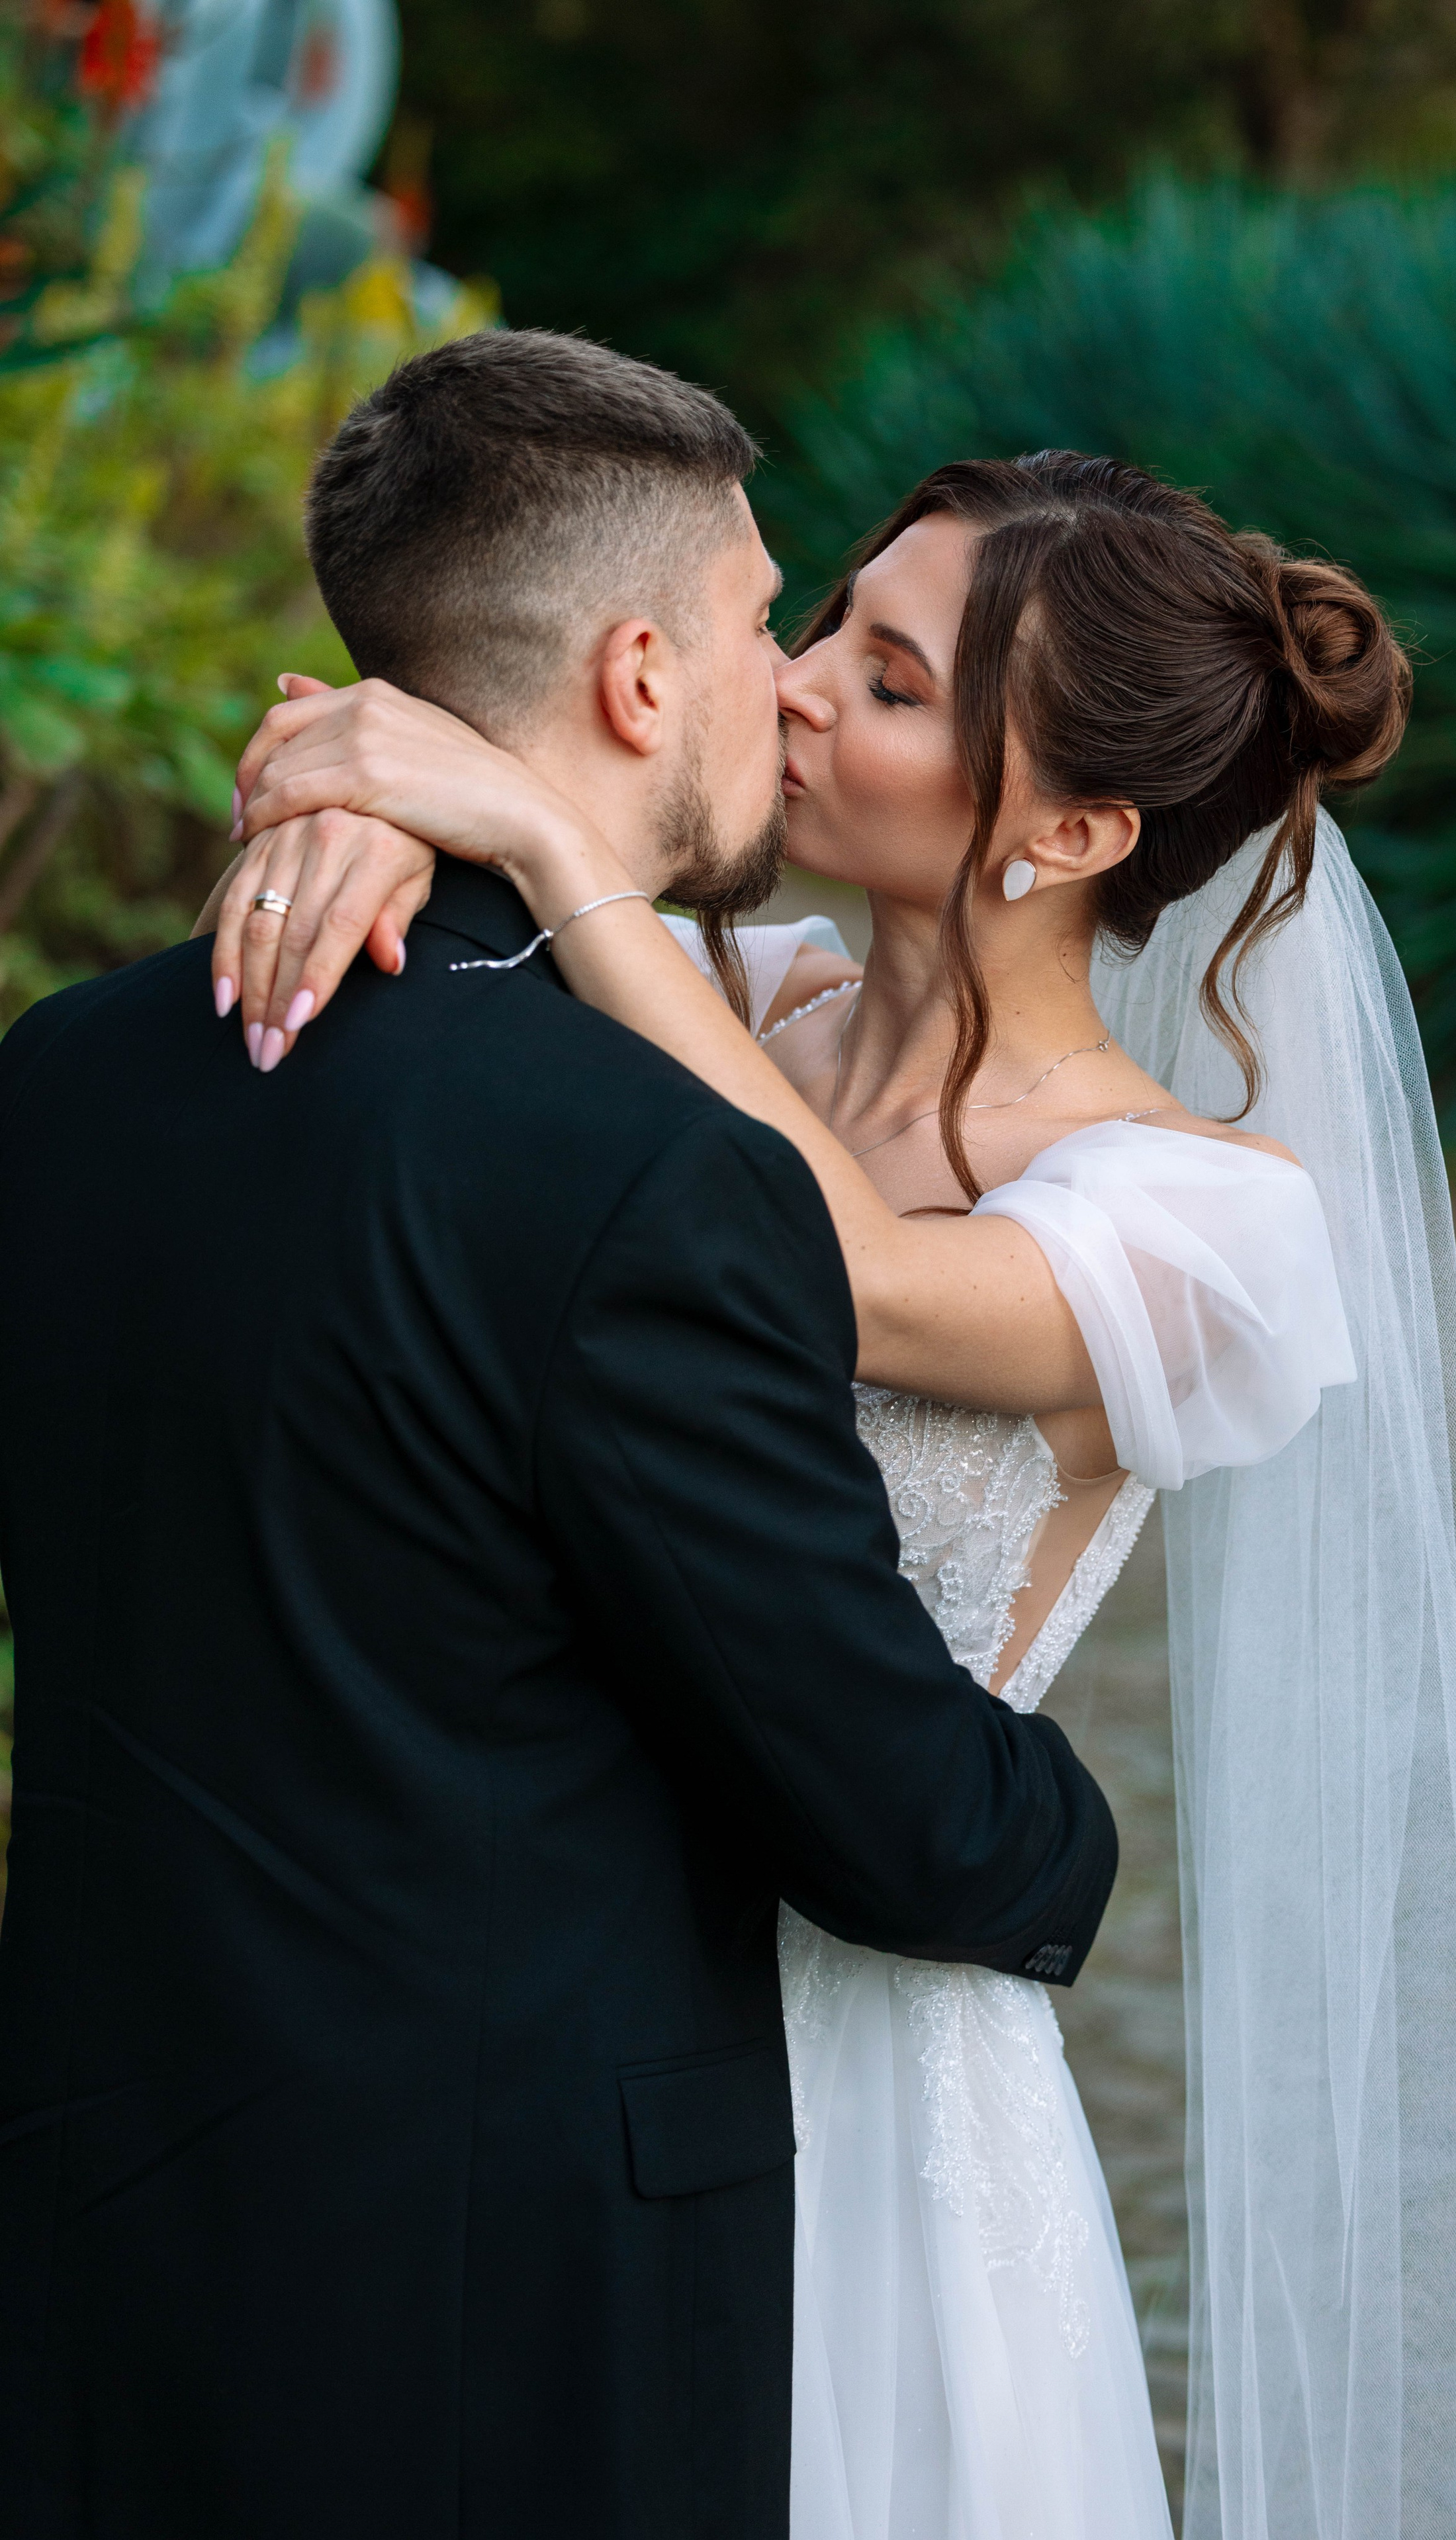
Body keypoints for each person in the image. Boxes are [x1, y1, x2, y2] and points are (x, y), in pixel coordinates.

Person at [216, 388, 1456, 2537]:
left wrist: (541, 841)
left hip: (873, 2056)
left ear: (1070, 837)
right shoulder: (714, 992)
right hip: (540, 1994)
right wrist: (382, 823)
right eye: (823, 623)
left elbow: (851, 1275)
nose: (798, 687)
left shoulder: (1211, 1223)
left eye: (894, 683)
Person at [0, 335, 1128, 2540]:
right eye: (761, 622)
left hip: (94, 2232)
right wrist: (1062, 1834)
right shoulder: (654, 1171)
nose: (786, 689)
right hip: (496, 2312)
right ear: (635, 675)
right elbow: (901, 1821)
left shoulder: (66, 1075)